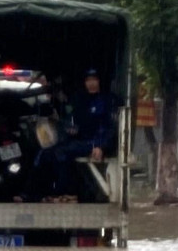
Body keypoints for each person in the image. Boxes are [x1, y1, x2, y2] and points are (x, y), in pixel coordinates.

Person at [33, 69, 116, 199]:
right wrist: (70, 130)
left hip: (94, 144)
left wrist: (101, 147)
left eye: (94, 80)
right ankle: (34, 193)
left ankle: (65, 191)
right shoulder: (80, 100)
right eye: (88, 80)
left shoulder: (107, 101)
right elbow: (74, 123)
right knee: (45, 153)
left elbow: (109, 128)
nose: (91, 83)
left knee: (62, 153)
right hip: (80, 142)